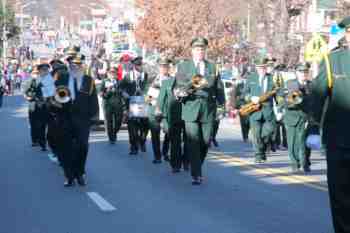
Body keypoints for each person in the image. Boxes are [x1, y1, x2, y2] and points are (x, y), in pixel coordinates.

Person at [308, 16, 350, 233]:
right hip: (339, 139)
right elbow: (317, 95)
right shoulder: (332, 61)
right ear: (347, 35)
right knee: (340, 193)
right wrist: (314, 127)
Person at [174, 37, 225, 185]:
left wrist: (222, 106)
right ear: (192, 51)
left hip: (208, 108)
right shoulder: (184, 66)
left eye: (202, 49)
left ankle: (196, 165)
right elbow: (179, 85)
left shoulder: (212, 67)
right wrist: (187, 88)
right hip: (191, 106)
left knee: (205, 141)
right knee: (193, 140)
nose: (200, 52)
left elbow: (219, 88)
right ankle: (196, 173)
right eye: (197, 49)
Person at [69, 54, 99, 186]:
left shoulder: (89, 80)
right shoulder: (65, 79)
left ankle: (80, 171)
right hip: (67, 118)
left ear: (82, 66)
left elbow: (94, 100)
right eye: (73, 65)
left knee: (83, 146)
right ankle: (73, 172)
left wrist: (94, 118)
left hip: (83, 119)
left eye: (79, 64)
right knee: (70, 147)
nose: (76, 67)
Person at [244, 58, 277, 163]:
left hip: (268, 110)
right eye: (259, 67)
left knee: (268, 132)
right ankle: (258, 156)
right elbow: (244, 93)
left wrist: (280, 107)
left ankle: (263, 147)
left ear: (266, 67)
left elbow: (279, 93)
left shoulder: (272, 78)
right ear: (256, 68)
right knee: (256, 134)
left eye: (263, 67)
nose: (261, 69)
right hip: (254, 110)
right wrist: (250, 98)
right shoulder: (251, 78)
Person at [280, 64, 310, 173]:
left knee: (303, 141)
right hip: (291, 116)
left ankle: (304, 163)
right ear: (297, 73)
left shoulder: (311, 85)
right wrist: (290, 100)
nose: (303, 74)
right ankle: (295, 164)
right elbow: (282, 97)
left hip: (305, 117)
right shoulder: (290, 84)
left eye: (305, 72)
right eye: (301, 72)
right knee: (292, 141)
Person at [120, 56, 149, 155]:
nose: (139, 67)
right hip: (131, 102)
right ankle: (133, 147)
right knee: (132, 127)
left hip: (142, 102)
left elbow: (150, 87)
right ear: (133, 66)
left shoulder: (145, 75)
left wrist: (145, 93)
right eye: (137, 65)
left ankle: (142, 140)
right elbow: (120, 87)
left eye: (140, 65)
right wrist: (124, 93)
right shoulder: (128, 76)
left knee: (145, 125)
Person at [147, 57, 172, 164]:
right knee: (155, 134)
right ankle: (157, 156)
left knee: (169, 132)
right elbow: (147, 97)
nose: (163, 68)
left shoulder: (172, 80)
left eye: (166, 66)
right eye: (162, 66)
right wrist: (154, 100)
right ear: (159, 67)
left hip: (167, 110)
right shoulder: (152, 79)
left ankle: (165, 152)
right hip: (154, 108)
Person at [100, 67, 124, 144]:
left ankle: (114, 132)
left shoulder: (119, 82)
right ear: (108, 74)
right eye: (111, 73)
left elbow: (123, 92)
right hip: (107, 104)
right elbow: (101, 93)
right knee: (108, 121)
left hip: (118, 104)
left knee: (119, 121)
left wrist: (119, 91)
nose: (112, 74)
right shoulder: (104, 81)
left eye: (114, 73)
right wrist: (108, 91)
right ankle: (111, 137)